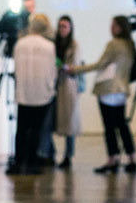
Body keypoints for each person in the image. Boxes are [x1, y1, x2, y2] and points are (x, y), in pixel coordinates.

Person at [69, 16, 136, 173]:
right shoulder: (130, 45)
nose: (111, 28)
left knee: (109, 126)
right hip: (121, 89)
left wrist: (76, 70)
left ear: (120, 28)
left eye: (113, 25)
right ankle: (132, 158)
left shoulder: (114, 44)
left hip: (109, 89)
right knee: (122, 124)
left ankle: (112, 160)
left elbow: (100, 64)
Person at [8, 13, 57, 175]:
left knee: (21, 129)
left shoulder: (20, 44)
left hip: (23, 93)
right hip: (41, 94)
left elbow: (16, 69)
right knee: (36, 130)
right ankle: (31, 163)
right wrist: (50, 89)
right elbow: (51, 71)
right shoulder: (49, 46)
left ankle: (19, 161)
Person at [54, 15, 82, 169]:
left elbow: (75, 66)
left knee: (69, 122)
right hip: (55, 85)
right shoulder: (54, 44)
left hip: (68, 85)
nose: (62, 29)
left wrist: (63, 66)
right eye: (60, 26)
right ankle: (49, 153)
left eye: (64, 26)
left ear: (70, 28)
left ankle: (68, 155)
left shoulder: (74, 45)